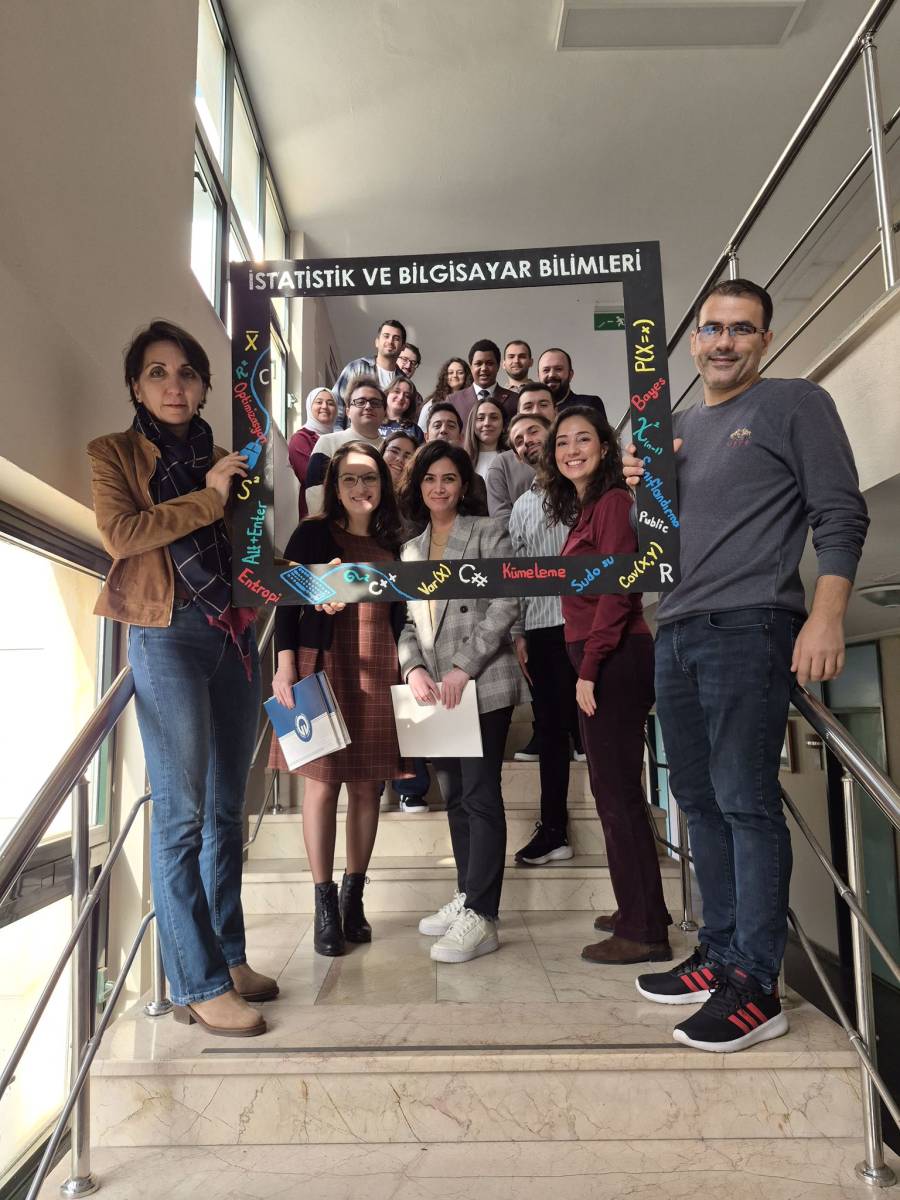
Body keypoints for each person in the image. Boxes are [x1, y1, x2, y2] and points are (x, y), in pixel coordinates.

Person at [624, 278, 869, 1052]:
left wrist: (825, 615)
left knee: (744, 801)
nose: (723, 341)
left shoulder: (795, 403)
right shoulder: (676, 428)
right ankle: (721, 953)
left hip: (750, 625)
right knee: (696, 800)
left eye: (741, 328)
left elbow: (840, 511)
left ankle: (756, 986)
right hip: (677, 626)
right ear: (694, 340)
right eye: (712, 329)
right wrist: (642, 492)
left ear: (765, 338)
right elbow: (658, 542)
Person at [88, 320, 275, 1038]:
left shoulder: (227, 460)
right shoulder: (112, 453)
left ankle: (228, 957)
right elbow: (124, 534)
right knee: (182, 814)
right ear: (136, 386)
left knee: (228, 809)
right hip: (165, 633)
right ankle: (196, 983)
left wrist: (308, 578)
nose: (174, 385)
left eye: (188, 373)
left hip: (233, 635)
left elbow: (253, 551)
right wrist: (209, 497)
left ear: (204, 386)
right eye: (158, 373)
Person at [541, 405, 672, 965]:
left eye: (583, 439)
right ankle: (640, 909)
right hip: (600, 652)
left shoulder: (615, 502)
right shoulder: (588, 508)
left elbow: (621, 590)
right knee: (613, 791)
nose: (572, 450)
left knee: (616, 795)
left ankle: (643, 932)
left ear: (604, 446)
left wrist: (590, 667)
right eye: (562, 442)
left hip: (613, 656)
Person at [270, 442, 409, 957]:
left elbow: (405, 612)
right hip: (322, 661)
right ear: (334, 486)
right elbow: (285, 599)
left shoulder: (395, 540)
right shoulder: (312, 533)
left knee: (369, 788)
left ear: (382, 485)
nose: (359, 487)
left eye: (369, 478)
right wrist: (284, 664)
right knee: (323, 786)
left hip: (380, 661)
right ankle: (324, 904)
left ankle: (354, 898)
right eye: (349, 478)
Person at [397, 442, 529, 962]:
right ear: (419, 486)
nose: (439, 487)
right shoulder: (410, 549)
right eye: (430, 478)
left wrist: (462, 667)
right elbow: (407, 622)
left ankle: (484, 915)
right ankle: (467, 893)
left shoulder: (489, 531)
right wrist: (412, 668)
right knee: (453, 797)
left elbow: (506, 602)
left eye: (449, 477)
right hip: (433, 691)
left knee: (479, 794)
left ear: (463, 484)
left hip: (481, 680)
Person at [508, 413, 581, 864]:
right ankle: (554, 830)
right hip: (540, 630)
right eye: (517, 440)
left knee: (597, 729)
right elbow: (516, 572)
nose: (525, 442)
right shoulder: (520, 507)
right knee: (551, 732)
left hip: (588, 625)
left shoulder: (584, 489)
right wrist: (518, 631)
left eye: (532, 432)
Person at [305, 376, 386, 514]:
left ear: (384, 412)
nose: (368, 406)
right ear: (348, 411)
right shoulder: (327, 443)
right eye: (360, 402)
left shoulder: (391, 450)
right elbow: (315, 495)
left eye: (375, 402)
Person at [485, 385, 554, 520]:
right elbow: (501, 518)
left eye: (543, 405)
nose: (536, 411)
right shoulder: (522, 506)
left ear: (556, 411)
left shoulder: (575, 459)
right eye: (528, 407)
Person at [332, 319, 407, 427]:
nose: (390, 341)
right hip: (355, 436)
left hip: (390, 437)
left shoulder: (403, 381)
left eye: (396, 338)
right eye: (386, 336)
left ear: (403, 346)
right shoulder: (356, 368)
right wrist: (339, 435)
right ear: (377, 342)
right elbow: (337, 404)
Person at [423, 403, 488, 513]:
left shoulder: (475, 481)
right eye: (437, 426)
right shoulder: (414, 475)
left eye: (451, 426)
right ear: (427, 437)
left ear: (461, 438)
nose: (443, 430)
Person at [287, 387, 337, 520]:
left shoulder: (339, 438)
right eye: (319, 402)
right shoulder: (301, 438)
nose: (324, 406)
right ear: (309, 406)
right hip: (315, 512)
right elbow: (309, 476)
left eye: (330, 403)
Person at [446, 339, 517, 425]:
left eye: (489, 363)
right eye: (478, 364)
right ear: (471, 367)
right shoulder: (453, 400)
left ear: (498, 366)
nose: (484, 368)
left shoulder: (514, 399)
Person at [537, 347, 607, 418]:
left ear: (570, 375)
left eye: (558, 369)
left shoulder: (589, 405)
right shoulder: (533, 410)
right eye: (546, 370)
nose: (552, 375)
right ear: (538, 376)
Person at [418, 356, 472, 431]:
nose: (455, 375)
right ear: (445, 376)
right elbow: (421, 430)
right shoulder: (432, 403)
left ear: (466, 376)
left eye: (460, 373)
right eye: (451, 373)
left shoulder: (473, 400)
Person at [463, 395, 508, 479]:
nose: (487, 423)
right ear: (472, 424)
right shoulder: (461, 460)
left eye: (494, 418)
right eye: (481, 418)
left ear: (504, 426)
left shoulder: (514, 459)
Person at [379, 377, 423, 444]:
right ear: (387, 394)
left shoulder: (416, 430)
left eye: (407, 396)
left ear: (410, 403)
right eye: (397, 391)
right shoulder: (373, 422)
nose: (401, 397)